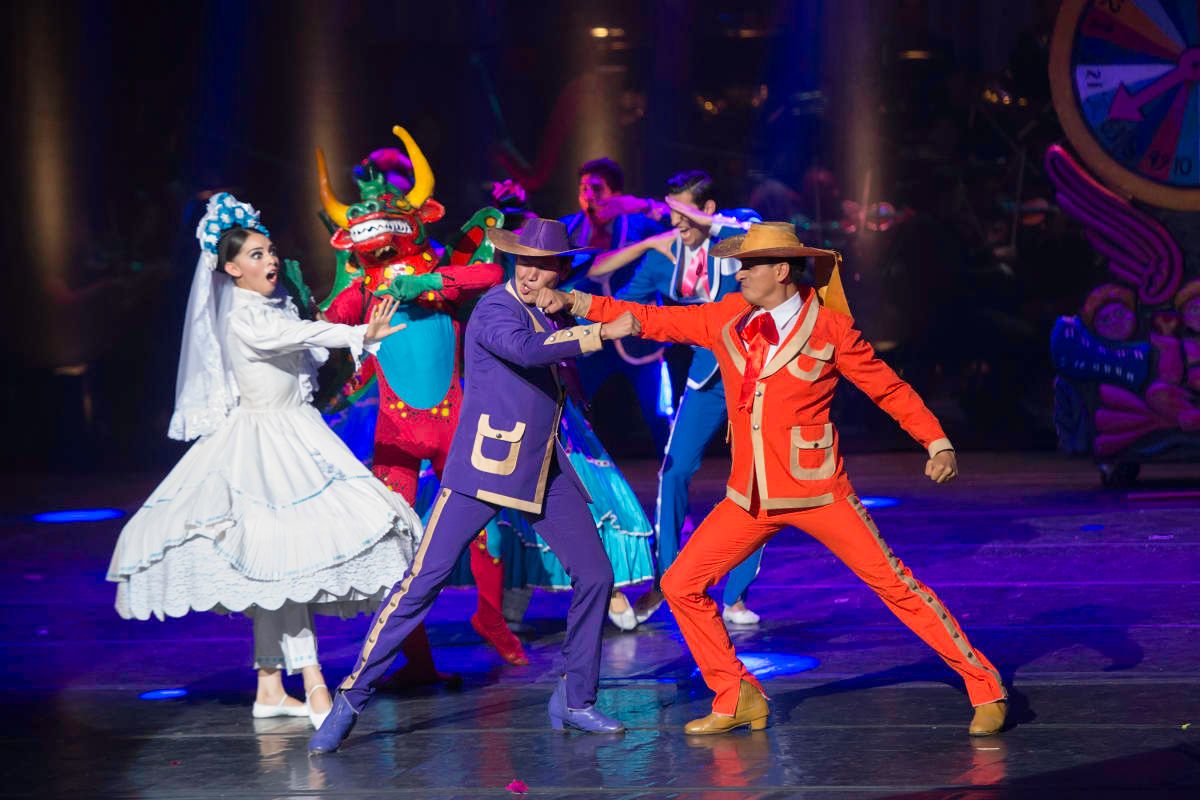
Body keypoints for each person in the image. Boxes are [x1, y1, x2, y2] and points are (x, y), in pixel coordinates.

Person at [535, 222, 1008, 737]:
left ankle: (985, 685)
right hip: (751, 494)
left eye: (748, 266)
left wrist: (936, 441)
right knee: (680, 584)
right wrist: (574, 302)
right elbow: (653, 319)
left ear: (781, 271)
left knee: (896, 587)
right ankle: (736, 694)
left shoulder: (830, 329)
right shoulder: (728, 318)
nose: (737, 275)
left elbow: (888, 389)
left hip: (818, 490)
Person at [308, 219, 639, 755]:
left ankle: (575, 698)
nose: (531, 274)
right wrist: (600, 331)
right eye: (524, 262)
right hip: (485, 468)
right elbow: (530, 351)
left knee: (597, 577)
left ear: (560, 269)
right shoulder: (495, 308)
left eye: (544, 265)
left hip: (541, 469)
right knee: (423, 582)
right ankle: (351, 697)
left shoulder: (546, 306)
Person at [107, 193, 422, 730]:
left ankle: (270, 686)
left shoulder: (274, 305)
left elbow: (295, 331)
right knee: (284, 563)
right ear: (230, 269)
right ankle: (316, 684)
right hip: (262, 446)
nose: (269, 260)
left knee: (278, 568)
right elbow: (294, 336)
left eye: (270, 250)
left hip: (295, 433)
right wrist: (355, 334)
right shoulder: (245, 319)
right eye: (255, 255)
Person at [589, 169, 765, 629]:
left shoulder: (735, 230)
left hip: (756, 374)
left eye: (684, 214)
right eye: (672, 215)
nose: (677, 225)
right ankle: (668, 581)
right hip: (706, 376)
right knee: (674, 470)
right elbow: (609, 284)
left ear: (707, 209)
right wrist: (649, 244)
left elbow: (751, 234)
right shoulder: (667, 254)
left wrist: (705, 224)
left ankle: (737, 597)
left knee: (756, 482)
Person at [559, 158, 673, 453]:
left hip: (638, 334)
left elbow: (677, 224)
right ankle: (581, 480)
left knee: (659, 415)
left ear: (616, 194)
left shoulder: (640, 225)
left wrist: (641, 205)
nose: (589, 196)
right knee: (572, 407)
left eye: (597, 188)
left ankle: (673, 483)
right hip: (590, 333)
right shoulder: (569, 229)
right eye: (583, 188)